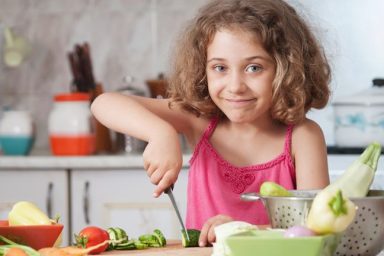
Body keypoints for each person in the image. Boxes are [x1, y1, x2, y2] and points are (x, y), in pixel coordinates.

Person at [91, 0, 331, 247]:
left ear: (286, 68)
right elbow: (104, 103)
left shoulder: (303, 137)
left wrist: (241, 231)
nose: (235, 86)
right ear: (203, 70)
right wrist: (161, 133)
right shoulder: (200, 121)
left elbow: (316, 227)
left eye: (253, 67)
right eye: (220, 68)